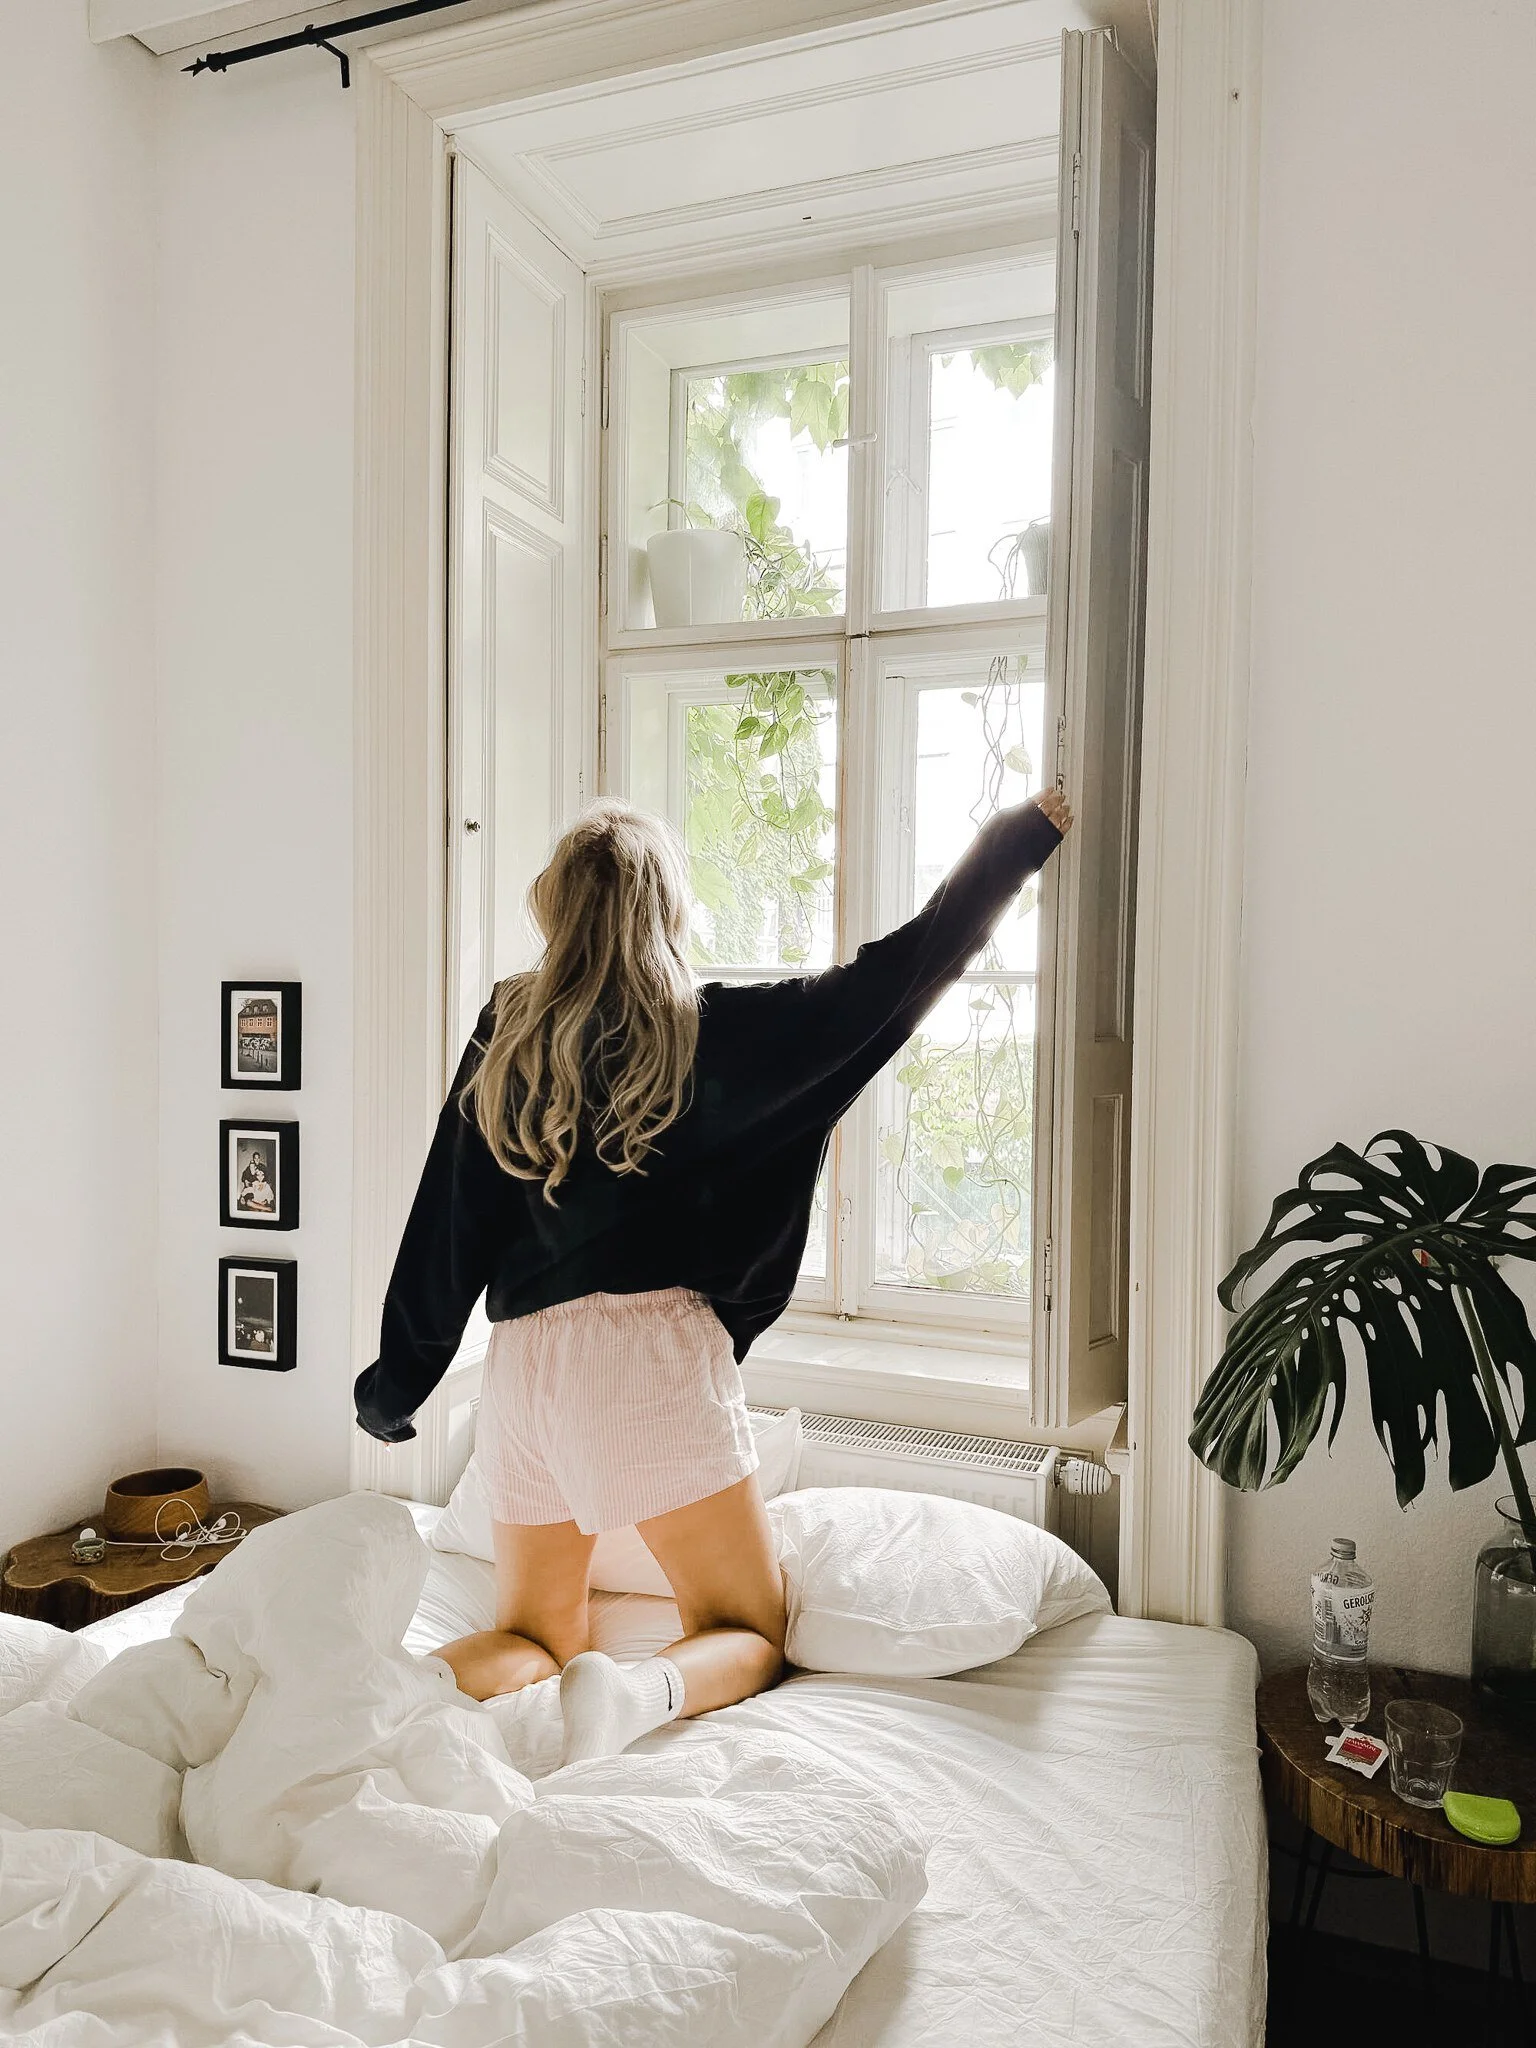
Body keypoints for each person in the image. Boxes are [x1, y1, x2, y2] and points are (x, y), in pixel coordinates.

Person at [354, 786, 1072, 1765]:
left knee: (532, 1633)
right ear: (670, 912)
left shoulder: (510, 1031)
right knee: (749, 1626)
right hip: (646, 1355)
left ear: (553, 907)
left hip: (522, 1365)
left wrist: (396, 1386)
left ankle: (382, 1692)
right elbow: (896, 976)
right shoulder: (718, 1031)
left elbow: (449, 1211)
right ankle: (635, 1690)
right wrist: (1020, 838)